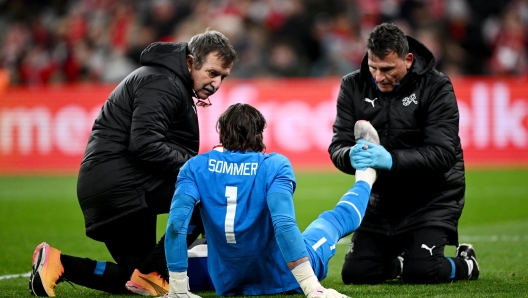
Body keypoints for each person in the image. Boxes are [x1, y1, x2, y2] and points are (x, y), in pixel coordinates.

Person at [29, 29, 237, 297]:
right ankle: (154, 273)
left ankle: (58, 264)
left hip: (116, 187)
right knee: (209, 190)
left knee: (137, 281)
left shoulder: (165, 80)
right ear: (189, 61)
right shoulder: (164, 82)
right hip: (125, 185)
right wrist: (201, 167)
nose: (217, 83)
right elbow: (146, 145)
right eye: (212, 73)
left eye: (223, 76)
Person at [162, 103, 377, 298]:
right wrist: (312, 287)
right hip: (284, 278)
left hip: (229, 284)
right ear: (259, 133)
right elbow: (283, 224)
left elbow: (175, 226)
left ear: (222, 133)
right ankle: (367, 173)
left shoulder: (195, 167)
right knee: (333, 221)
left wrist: (178, 289)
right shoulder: (274, 165)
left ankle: (179, 290)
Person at [328, 22, 479, 285]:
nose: (378, 76)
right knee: (357, 274)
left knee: (423, 273)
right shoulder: (352, 85)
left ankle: (466, 263)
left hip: (430, 197)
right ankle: (398, 261)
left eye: (387, 69)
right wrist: (348, 156)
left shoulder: (437, 87)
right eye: (373, 68)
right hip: (381, 201)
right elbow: (338, 144)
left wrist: (391, 159)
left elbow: (444, 154)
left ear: (408, 60)